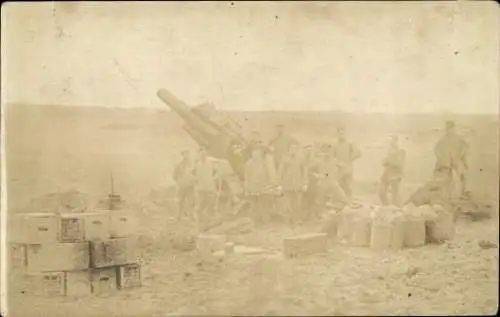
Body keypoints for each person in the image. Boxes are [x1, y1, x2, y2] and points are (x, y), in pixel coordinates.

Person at [434, 120, 469, 199]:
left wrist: (461, 157)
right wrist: (441, 158)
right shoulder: (443, 139)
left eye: (450, 128)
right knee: (447, 179)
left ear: (453, 128)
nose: (448, 129)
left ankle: (464, 192)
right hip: (447, 162)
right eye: (447, 128)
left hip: (457, 160)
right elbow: (436, 150)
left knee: (462, 176)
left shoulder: (458, 138)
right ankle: (447, 196)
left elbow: (465, 147)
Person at [315, 144, 349, 214]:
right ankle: (319, 214)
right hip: (323, 182)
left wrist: (338, 176)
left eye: (329, 151)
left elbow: (343, 168)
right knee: (320, 200)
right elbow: (311, 170)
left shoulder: (334, 160)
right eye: (325, 151)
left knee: (342, 197)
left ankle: (338, 209)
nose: (327, 153)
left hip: (332, 181)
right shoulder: (319, 161)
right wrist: (318, 176)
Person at [278, 143, 308, 224]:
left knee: (298, 203)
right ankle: (289, 220)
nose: (293, 151)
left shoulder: (301, 159)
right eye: (291, 149)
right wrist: (280, 185)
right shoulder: (285, 159)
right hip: (287, 185)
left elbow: (304, 171)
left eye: (295, 149)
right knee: (288, 204)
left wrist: (305, 183)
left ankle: (298, 219)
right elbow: (281, 172)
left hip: (298, 185)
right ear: (289, 150)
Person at [332, 126, 362, 200]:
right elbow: (331, 156)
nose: (341, 135)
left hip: (348, 169)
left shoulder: (349, 143)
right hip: (339, 169)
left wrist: (351, 158)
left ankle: (349, 202)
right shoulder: (335, 144)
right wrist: (336, 163)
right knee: (338, 186)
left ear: (345, 134)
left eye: (342, 133)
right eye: (340, 133)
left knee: (348, 187)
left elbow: (358, 153)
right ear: (337, 134)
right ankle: (340, 202)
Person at [244, 144, 271, 224]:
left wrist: (268, 185)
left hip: (262, 186)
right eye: (254, 152)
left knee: (264, 204)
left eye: (258, 152)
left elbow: (268, 175)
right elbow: (247, 177)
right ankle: (253, 221)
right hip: (252, 187)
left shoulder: (264, 163)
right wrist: (246, 188)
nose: (255, 154)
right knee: (253, 205)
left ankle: (265, 220)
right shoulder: (248, 164)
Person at [378, 136, 406, 206]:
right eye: (390, 142)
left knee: (395, 196)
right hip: (386, 174)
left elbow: (400, 163)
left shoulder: (401, 151)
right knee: (381, 192)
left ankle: (396, 209)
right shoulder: (389, 151)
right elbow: (386, 161)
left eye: (392, 141)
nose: (391, 143)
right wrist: (384, 161)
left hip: (395, 175)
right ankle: (386, 205)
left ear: (396, 142)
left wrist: (389, 161)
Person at [194, 148, 218, 224]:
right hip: (201, 188)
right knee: (199, 207)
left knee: (211, 204)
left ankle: (210, 220)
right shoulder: (198, 165)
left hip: (209, 188)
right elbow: (197, 176)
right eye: (201, 154)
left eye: (204, 154)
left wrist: (214, 179)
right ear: (199, 155)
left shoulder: (211, 164)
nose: (203, 156)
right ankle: (199, 221)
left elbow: (216, 172)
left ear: (206, 155)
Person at [172, 150, 196, 219]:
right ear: (182, 155)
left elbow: (195, 174)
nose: (187, 156)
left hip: (190, 186)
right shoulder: (178, 165)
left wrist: (192, 180)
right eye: (185, 154)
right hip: (181, 186)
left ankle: (192, 215)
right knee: (179, 201)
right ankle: (178, 215)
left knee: (191, 201)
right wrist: (179, 182)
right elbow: (174, 176)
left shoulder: (192, 165)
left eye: (188, 154)